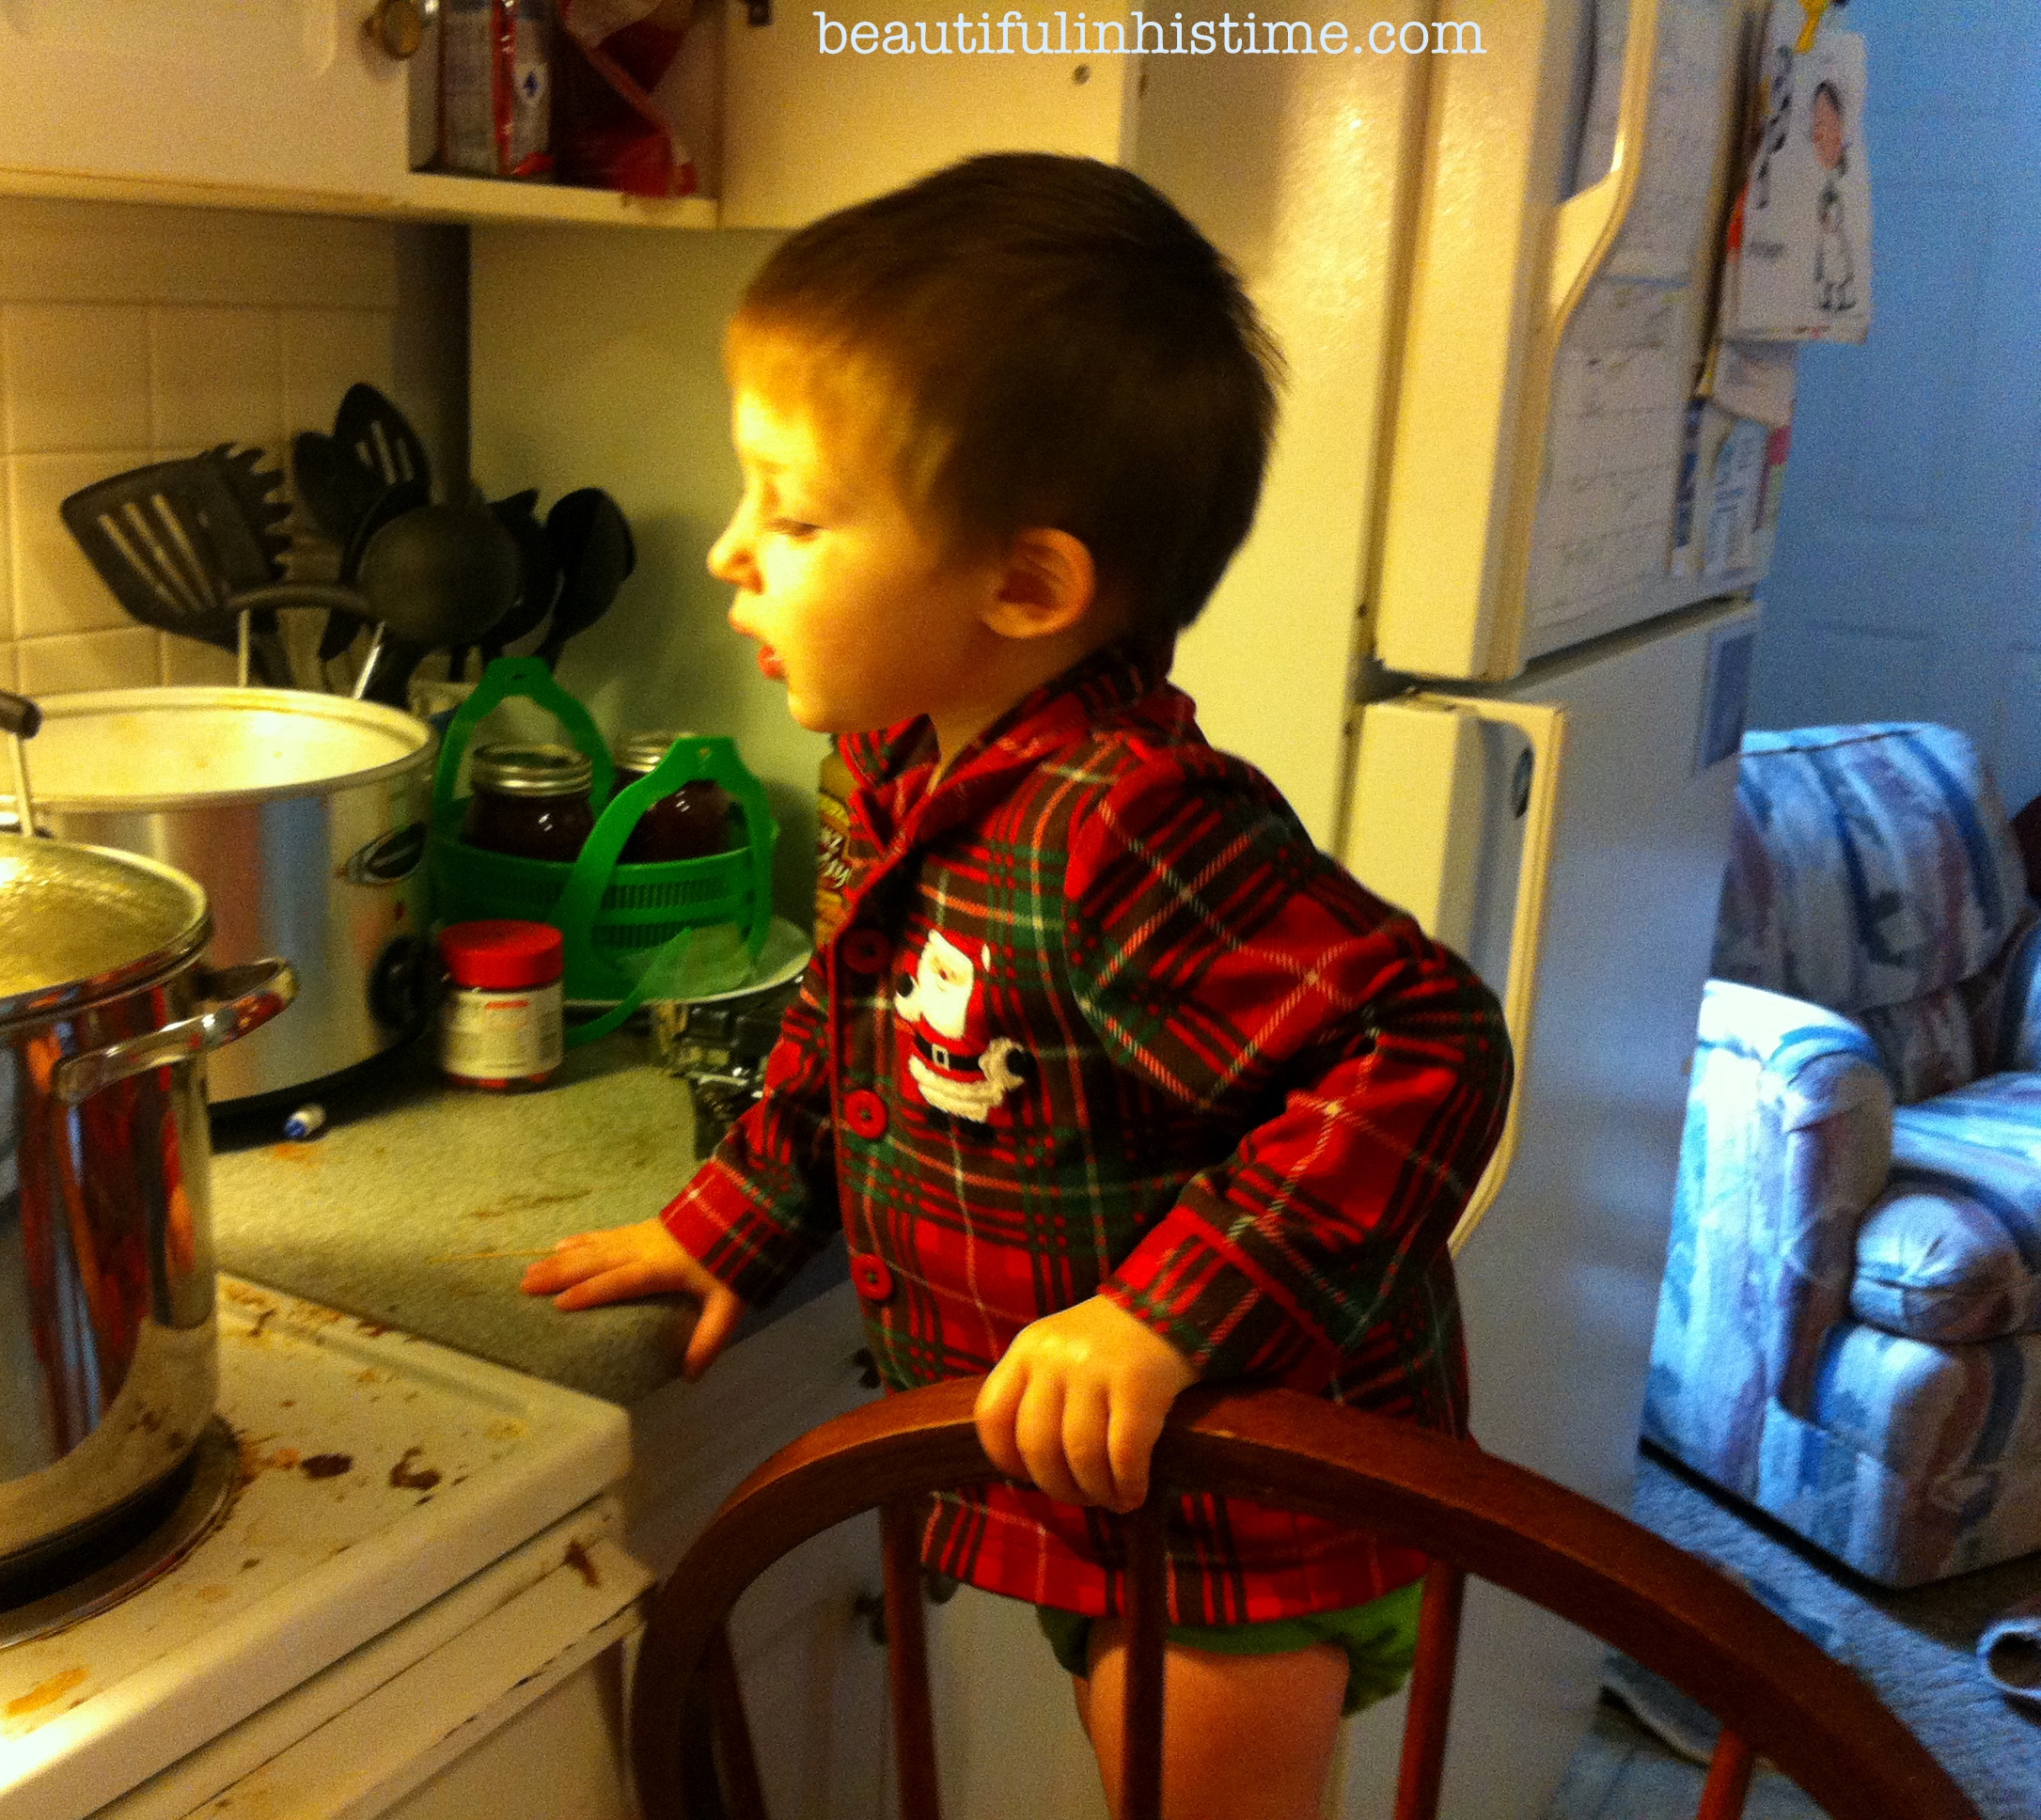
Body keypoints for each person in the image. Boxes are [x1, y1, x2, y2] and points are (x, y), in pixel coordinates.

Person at [521, 151, 1511, 1820]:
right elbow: (864, 1039)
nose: (731, 555)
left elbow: (1424, 1042)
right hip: (1109, 1487)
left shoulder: (1119, 826)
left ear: (1027, 589)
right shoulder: (912, 767)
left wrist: (1160, 1318)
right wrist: (737, 1220)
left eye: (800, 511)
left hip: (1238, 1508)